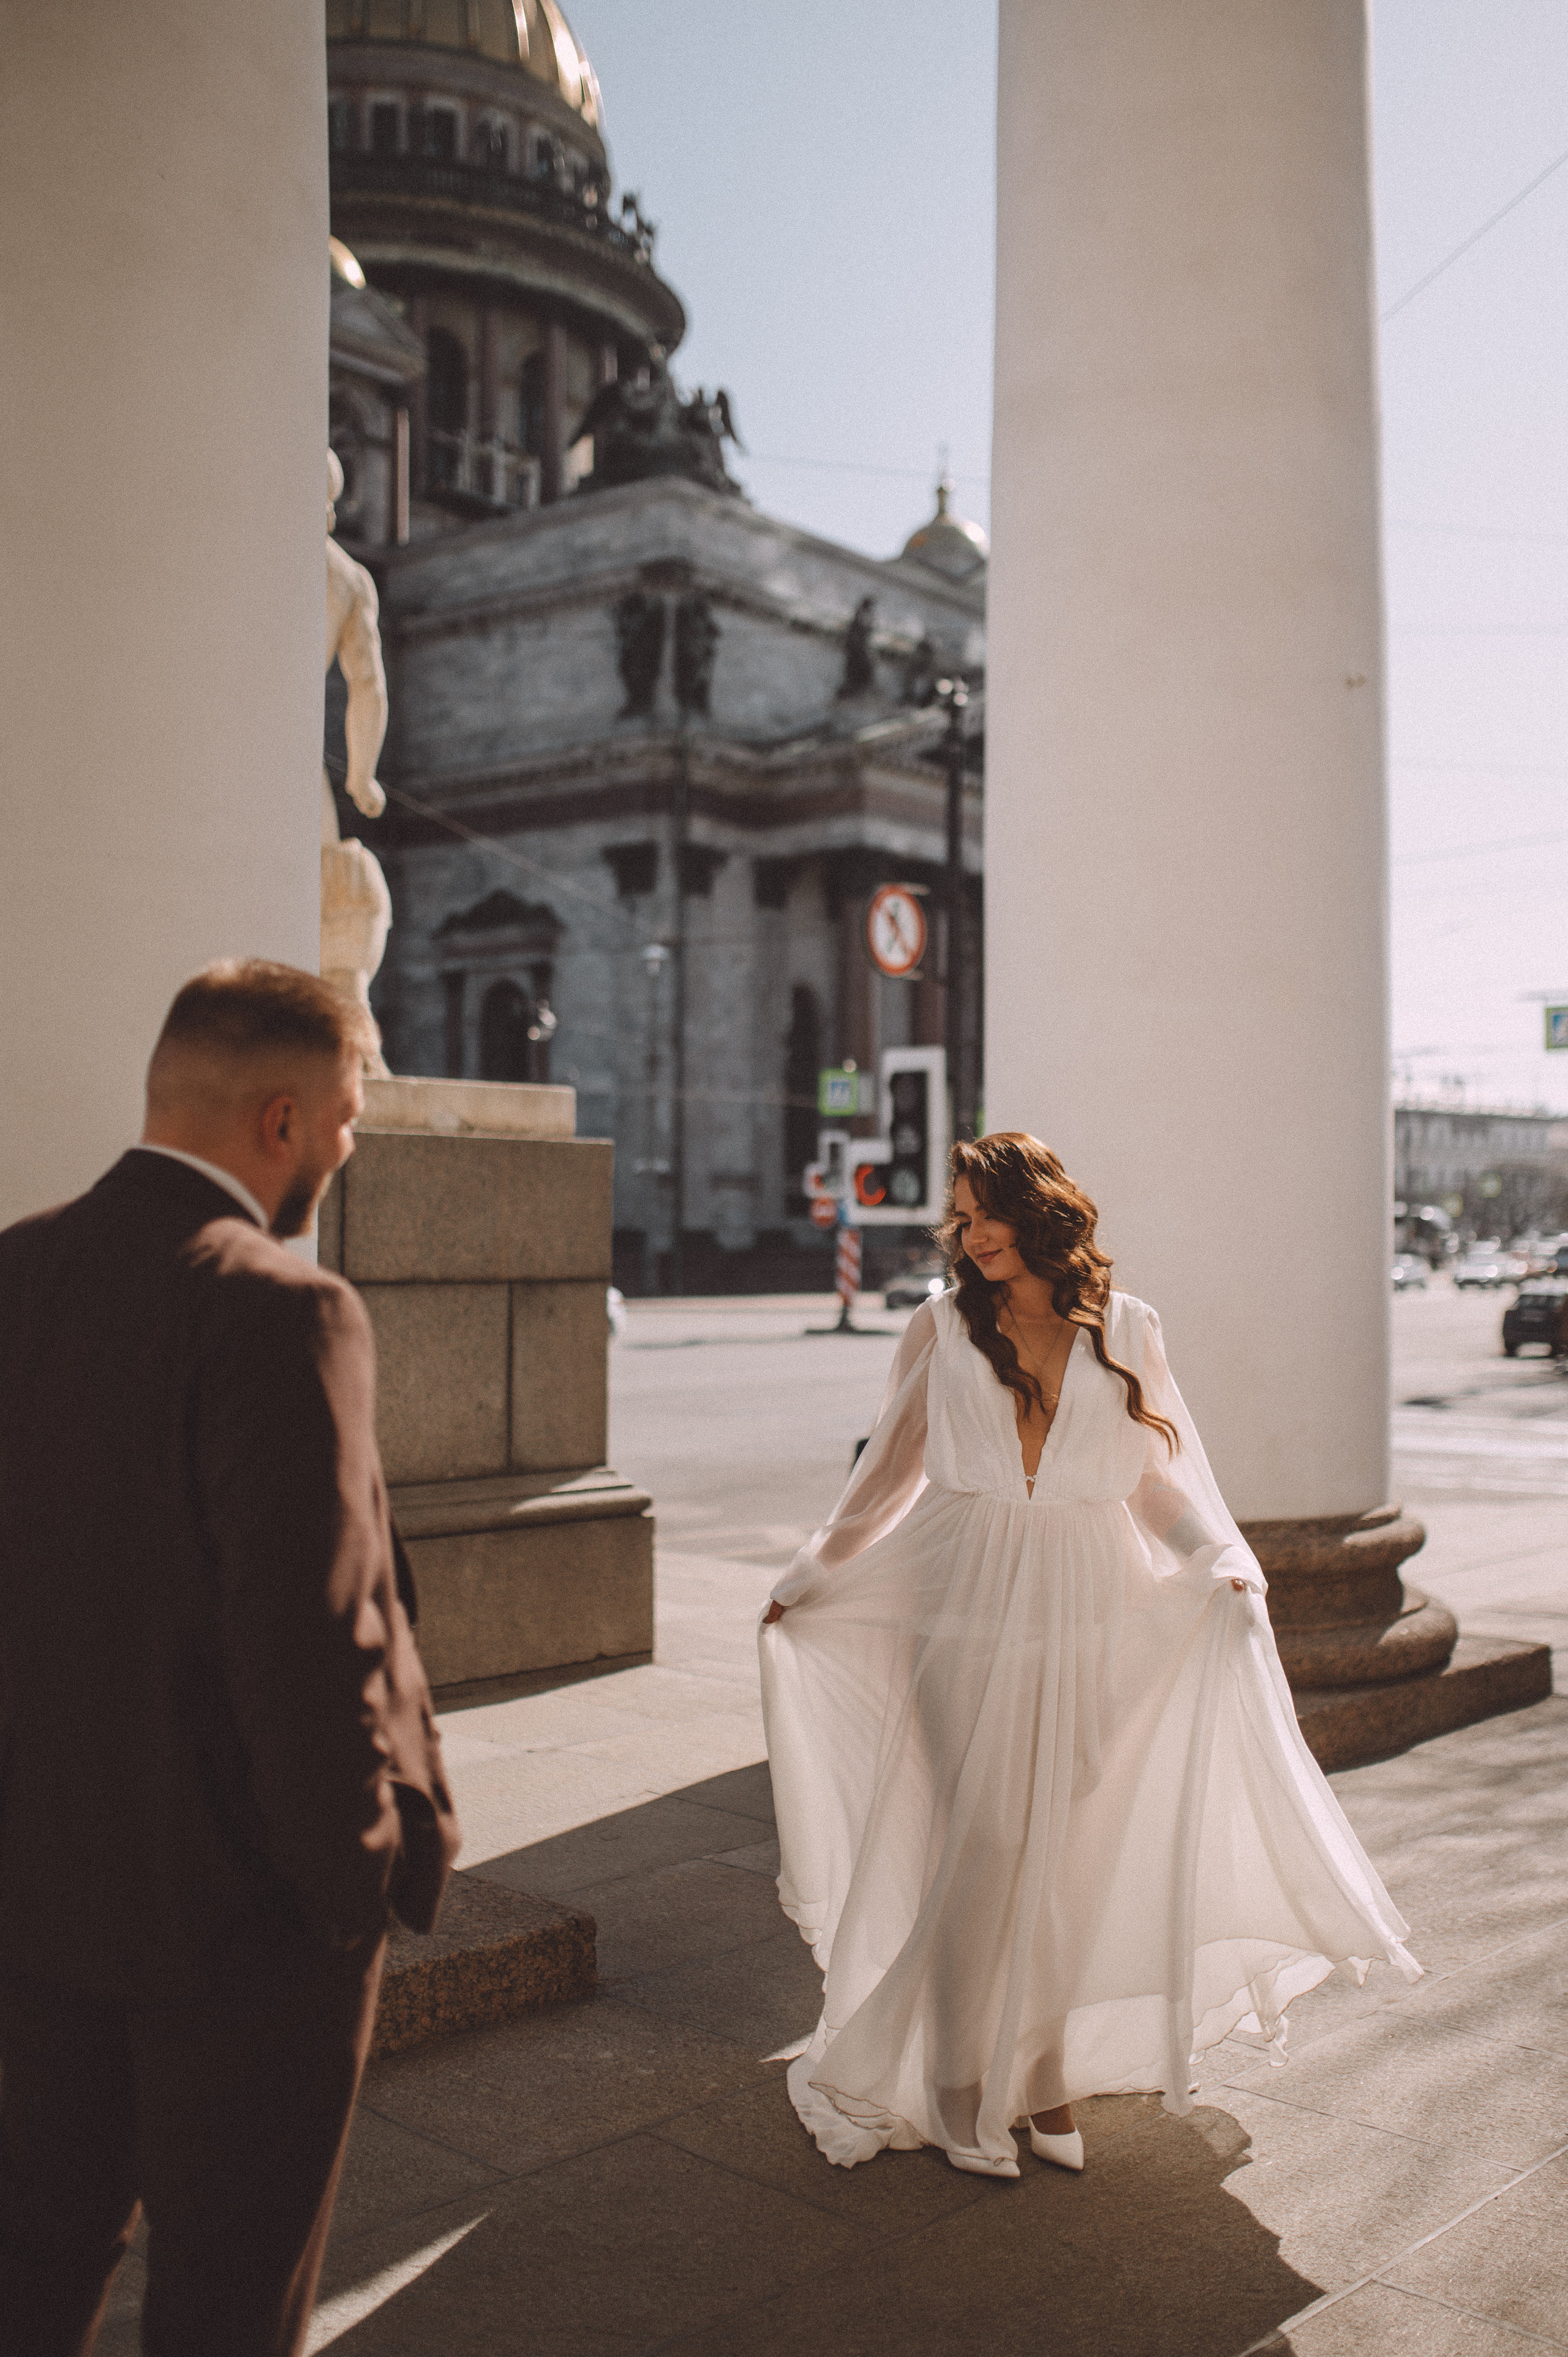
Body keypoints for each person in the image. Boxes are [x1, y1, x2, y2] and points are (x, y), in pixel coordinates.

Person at [761, 1132, 1419, 2179]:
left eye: (987, 1212)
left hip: (1089, 1607)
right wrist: (812, 1572)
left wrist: (1220, 1559)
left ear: (1040, 1211)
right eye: (961, 1217)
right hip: (963, 1603)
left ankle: (1044, 2071)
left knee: (1062, 1855)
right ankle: (958, 2082)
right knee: (979, 1849)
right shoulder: (940, 1326)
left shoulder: (1129, 1327)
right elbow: (888, 1473)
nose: (971, 1235)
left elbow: (1154, 1482)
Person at [0, 959, 460, 2355]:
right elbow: (313, 1638)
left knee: (31, 2273)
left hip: (33, 1898)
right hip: (237, 1928)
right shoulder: (280, 1305)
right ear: (283, 1120)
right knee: (226, 2303)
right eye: (349, 1114)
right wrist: (348, 1888)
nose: (348, 1144)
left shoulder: (14, 1268)